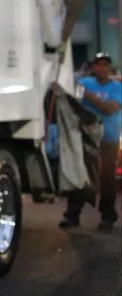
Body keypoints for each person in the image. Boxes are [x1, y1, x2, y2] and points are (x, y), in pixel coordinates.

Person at [59, 52, 122, 230]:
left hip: (108, 140)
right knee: (79, 176)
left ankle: (107, 217)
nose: (102, 67)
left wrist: (86, 94)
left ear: (110, 68)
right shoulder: (85, 82)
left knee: (107, 180)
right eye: (98, 64)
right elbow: (71, 101)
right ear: (93, 67)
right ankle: (72, 215)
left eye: (105, 64)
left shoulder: (117, 88)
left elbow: (110, 109)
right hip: (84, 139)